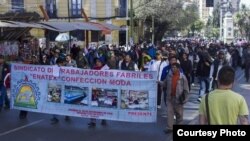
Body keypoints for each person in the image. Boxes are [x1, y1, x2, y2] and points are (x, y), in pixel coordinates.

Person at [159, 63, 189, 133]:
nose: (173, 69)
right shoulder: (169, 76)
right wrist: (159, 82)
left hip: (179, 98)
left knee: (179, 114)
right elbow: (164, 83)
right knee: (170, 113)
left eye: (175, 68)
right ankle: (170, 127)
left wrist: (185, 99)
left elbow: (186, 89)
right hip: (170, 98)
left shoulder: (182, 77)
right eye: (172, 68)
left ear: (178, 68)